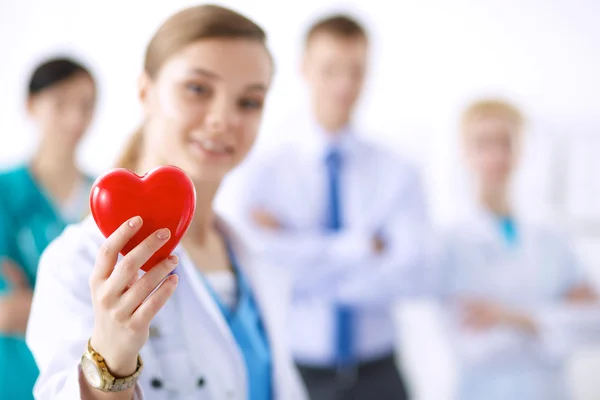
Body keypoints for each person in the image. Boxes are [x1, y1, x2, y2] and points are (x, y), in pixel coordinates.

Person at [26, 5, 308, 400]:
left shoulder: (256, 257)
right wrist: (111, 361)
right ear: (145, 92)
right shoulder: (75, 262)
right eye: (198, 89)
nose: (222, 119)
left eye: (249, 102)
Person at [219, 14, 428, 400]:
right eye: (331, 69)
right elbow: (264, 270)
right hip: (298, 373)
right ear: (303, 69)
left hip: (380, 374)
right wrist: (363, 247)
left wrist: (300, 250)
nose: (344, 84)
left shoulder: (399, 172)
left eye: (356, 70)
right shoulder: (262, 172)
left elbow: (412, 275)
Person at [435, 98, 600, 400]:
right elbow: (473, 348)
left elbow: (595, 323)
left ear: (520, 150)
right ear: (464, 153)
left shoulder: (552, 238)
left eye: (505, 142)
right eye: (483, 143)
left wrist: (508, 317)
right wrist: (556, 320)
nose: (496, 155)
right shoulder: (449, 244)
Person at [0, 56, 97, 399]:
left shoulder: (105, 197)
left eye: (86, 105)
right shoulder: (5, 193)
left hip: (88, 385)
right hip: (16, 381)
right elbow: (5, 311)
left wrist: (35, 303)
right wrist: (91, 311)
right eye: (60, 104)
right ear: (31, 105)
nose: (76, 118)